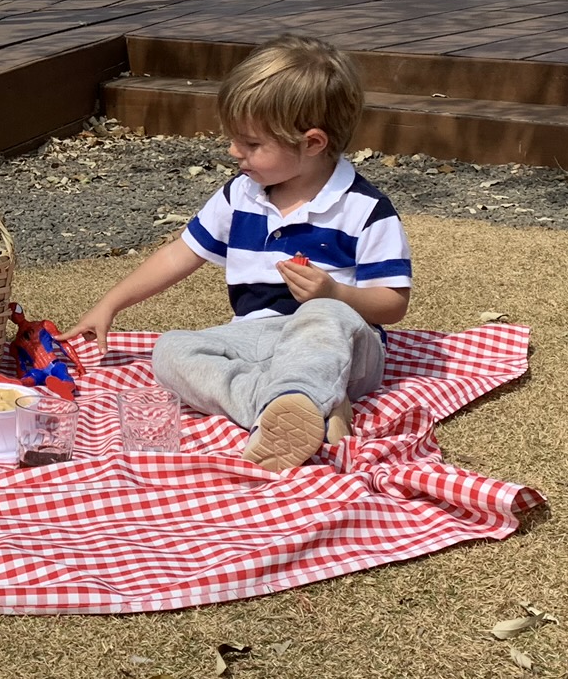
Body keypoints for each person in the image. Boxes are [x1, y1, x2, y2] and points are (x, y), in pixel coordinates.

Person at [69, 35, 410, 472]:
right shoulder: (240, 196)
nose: (234, 152)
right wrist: (110, 303)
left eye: (250, 144)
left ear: (312, 143)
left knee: (323, 318)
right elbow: (180, 254)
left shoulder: (365, 209)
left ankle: (303, 396)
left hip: (343, 346)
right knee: (171, 349)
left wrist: (335, 294)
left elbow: (392, 305)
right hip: (257, 338)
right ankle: (291, 408)